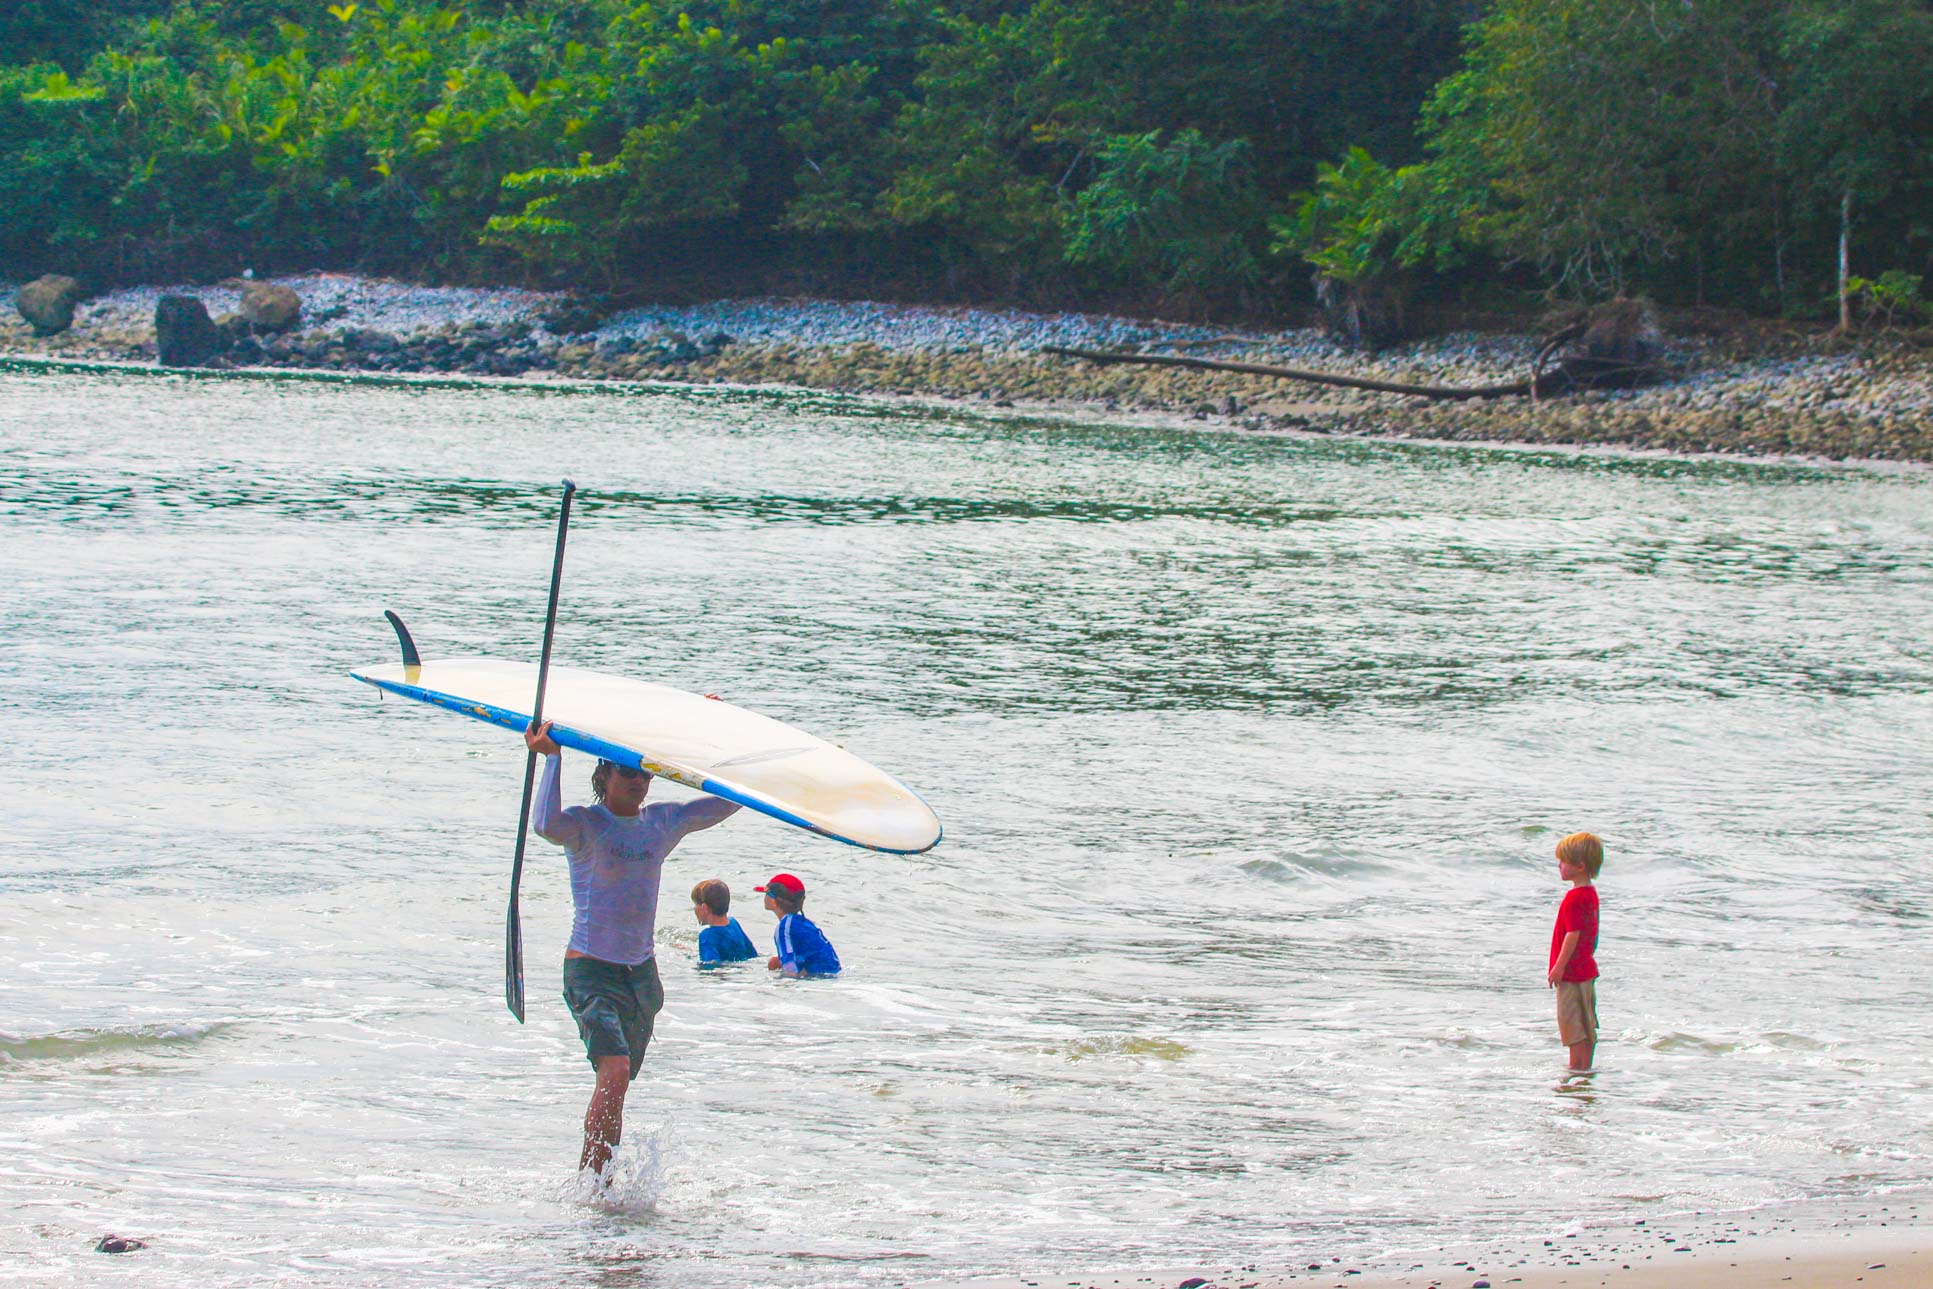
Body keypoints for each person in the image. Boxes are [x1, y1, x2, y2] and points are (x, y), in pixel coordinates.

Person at [524, 719, 742, 1177]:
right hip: (590, 970)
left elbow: (729, 799)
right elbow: (544, 824)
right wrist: (552, 757)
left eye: (644, 775)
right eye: (628, 774)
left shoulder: (663, 822)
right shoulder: (585, 824)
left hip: (642, 976)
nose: (639, 783)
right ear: (604, 777)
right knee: (616, 1072)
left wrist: (720, 735)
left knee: (619, 1081)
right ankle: (591, 1184)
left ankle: (602, 1180)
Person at [1546, 831, 1603, 1072]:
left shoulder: (1573, 897)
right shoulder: (1590, 895)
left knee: (1573, 1026)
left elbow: (1573, 933)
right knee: (1586, 1024)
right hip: (1586, 969)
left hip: (1571, 973)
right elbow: (1593, 934)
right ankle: (1584, 1070)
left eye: (1563, 861)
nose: (1559, 865)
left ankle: (1575, 1070)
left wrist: (1558, 967)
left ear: (1580, 866)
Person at [757, 872, 841, 977]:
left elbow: (789, 969)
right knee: (774, 962)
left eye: (766, 894)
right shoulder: (803, 923)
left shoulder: (784, 928)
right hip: (833, 975)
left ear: (773, 900)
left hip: (818, 979)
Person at [691, 878, 760, 966]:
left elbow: (710, 967)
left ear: (704, 908)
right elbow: (752, 954)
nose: (694, 908)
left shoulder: (707, 936)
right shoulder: (734, 923)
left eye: (695, 904)